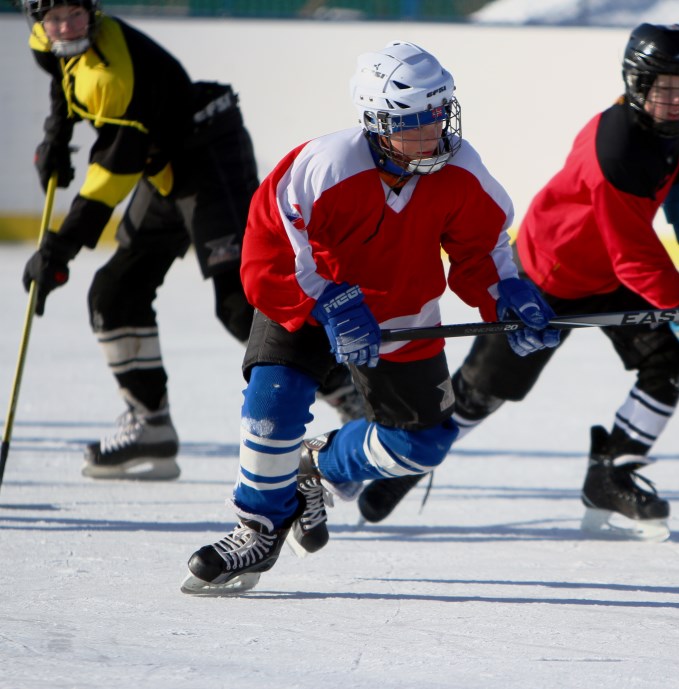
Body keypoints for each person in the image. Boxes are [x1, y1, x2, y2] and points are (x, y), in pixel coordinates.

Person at [181, 40, 559, 594]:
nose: (431, 136)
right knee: (271, 404)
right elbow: (268, 253)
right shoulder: (323, 166)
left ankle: (320, 468)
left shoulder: (459, 168)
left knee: (422, 445)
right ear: (376, 123)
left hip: (403, 311)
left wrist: (508, 294)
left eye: (437, 116)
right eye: (412, 124)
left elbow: (482, 250)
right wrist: (329, 302)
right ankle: (258, 528)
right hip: (311, 300)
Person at [356, 23, 679, 543]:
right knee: (478, 396)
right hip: (546, 277)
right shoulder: (619, 147)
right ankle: (405, 461)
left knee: (670, 360)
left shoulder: (662, 127)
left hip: (606, 271)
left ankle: (611, 473)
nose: (676, 100)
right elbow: (634, 254)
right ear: (637, 84)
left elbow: (631, 231)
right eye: (664, 87)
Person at [19, 0, 263, 480]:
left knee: (240, 304)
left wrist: (60, 246)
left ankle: (350, 393)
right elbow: (62, 79)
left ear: (93, 11)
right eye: (54, 19)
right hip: (164, 162)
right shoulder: (47, 46)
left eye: (75, 14)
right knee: (115, 294)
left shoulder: (115, 73)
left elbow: (115, 170)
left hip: (207, 153)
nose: (66, 28)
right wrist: (56, 134)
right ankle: (150, 425)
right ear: (39, 24)